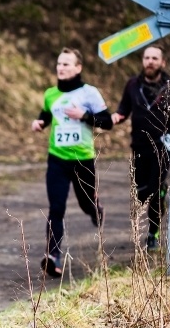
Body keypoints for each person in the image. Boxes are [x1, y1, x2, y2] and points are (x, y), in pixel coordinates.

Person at [31, 47, 113, 277]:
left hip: (82, 159)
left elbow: (107, 122)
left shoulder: (89, 93)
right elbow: (47, 114)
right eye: (59, 63)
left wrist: (84, 116)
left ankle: (95, 209)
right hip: (57, 158)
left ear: (78, 68)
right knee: (56, 208)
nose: (61, 67)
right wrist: (39, 123)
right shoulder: (51, 93)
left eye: (66, 64)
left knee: (86, 204)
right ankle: (53, 256)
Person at [111, 45, 170, 251]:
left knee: (154, 191)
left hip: (162, 147)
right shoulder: (132, 85)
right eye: (147, 58)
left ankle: (153, 234)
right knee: (141, 193)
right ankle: (160, 191)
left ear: (162, 62)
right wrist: (116, 117)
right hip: (139, 146)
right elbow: (123, 109)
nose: (150, 62)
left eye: (155, 58)